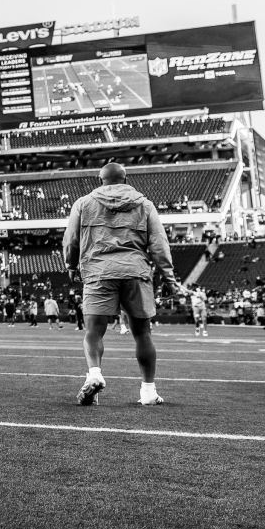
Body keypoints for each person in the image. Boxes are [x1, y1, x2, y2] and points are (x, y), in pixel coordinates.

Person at [63, 162, 185, 406]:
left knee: (93, 332)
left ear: (101, 180)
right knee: (142, 334)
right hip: (135, 273)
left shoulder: (83, 203)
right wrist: (170, 279)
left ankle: (95, 374)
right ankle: (148, 391)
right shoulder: (145, 204)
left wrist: (71, 266)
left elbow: (71, 240)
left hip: (99, 272)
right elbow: (160, 245)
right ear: (126, 180)